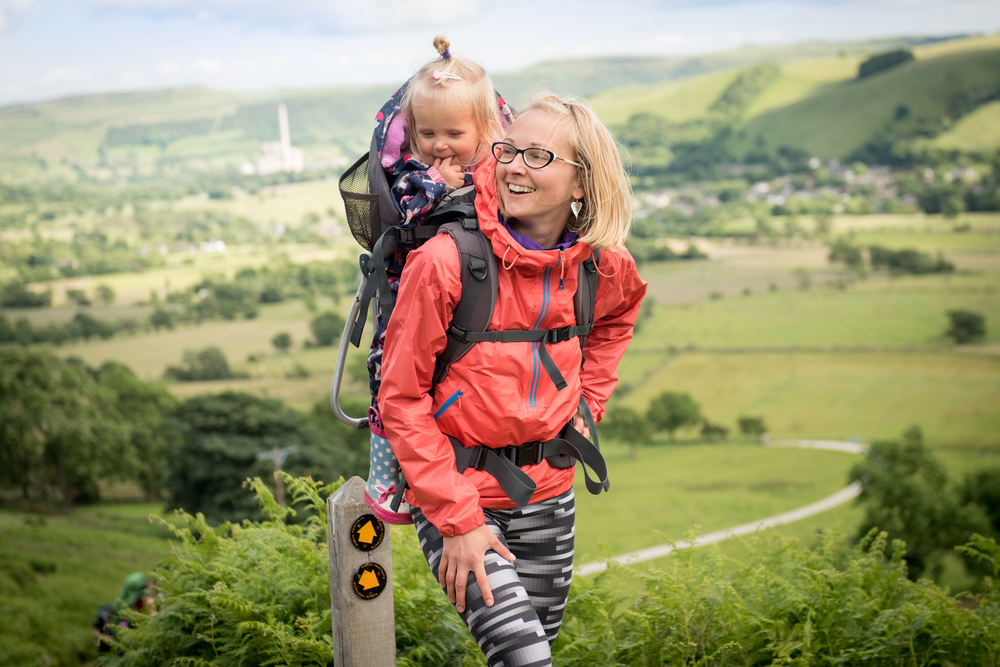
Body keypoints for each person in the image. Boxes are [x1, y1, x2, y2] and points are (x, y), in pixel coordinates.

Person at [380, 92, 647, 666]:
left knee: (529, 656)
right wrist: (457, 521)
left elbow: (619, 317)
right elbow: (400, 399)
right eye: (508, 149)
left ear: (582, 183)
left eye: (538, 156)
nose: (514, 166)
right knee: (529, 661)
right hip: (456, 497)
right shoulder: (447, 262)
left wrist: (588, 402)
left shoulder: (602, 264)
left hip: (549, 497)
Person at [364, 36, 513, 523]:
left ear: (485, 128)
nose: (439, 145)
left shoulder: (497, 167)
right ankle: (387, 479)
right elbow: (409, 210)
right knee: (392, 376)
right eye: (427, 133)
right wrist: (438, 184)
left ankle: (459, 470)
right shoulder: (413, 172)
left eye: (453, 132)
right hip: (412, 295)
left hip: (476, 293)